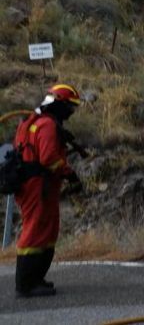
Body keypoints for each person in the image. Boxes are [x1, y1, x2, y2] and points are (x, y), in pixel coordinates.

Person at [13, 84, 83, 298]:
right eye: (70, 107)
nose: (71, 112)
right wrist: (69, 173)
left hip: (38, 185)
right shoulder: (47, 125)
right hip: (37, 186)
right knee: (35, 230)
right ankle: (26, 284)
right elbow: (48, 158)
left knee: (47, 230)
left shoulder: (33, 121)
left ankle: (36, 278)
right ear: (59, 104)